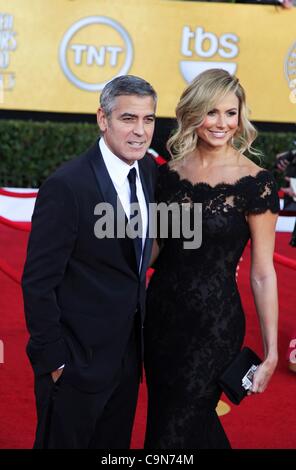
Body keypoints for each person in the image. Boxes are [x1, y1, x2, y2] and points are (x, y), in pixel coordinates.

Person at [144, 68, 279, 449]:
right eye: (211, 112)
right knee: (164, 417)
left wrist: (269, 353)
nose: (222, 123)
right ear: (192, 113)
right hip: (161, 318)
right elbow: (158, 249)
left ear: (241, 117)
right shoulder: (168, 174)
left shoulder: (256, 183)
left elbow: (264, 273)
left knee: (185, 421)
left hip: (213, 326)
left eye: (230, 113)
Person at [22, 75, 158, 449]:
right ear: (103, 118)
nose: (140, 131)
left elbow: (136, 256)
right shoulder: (68, 185)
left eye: (148, 120)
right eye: (128, 118)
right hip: (75, 364)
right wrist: (56, 363)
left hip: (127, 362)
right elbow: (37, 282)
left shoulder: (147, 172)